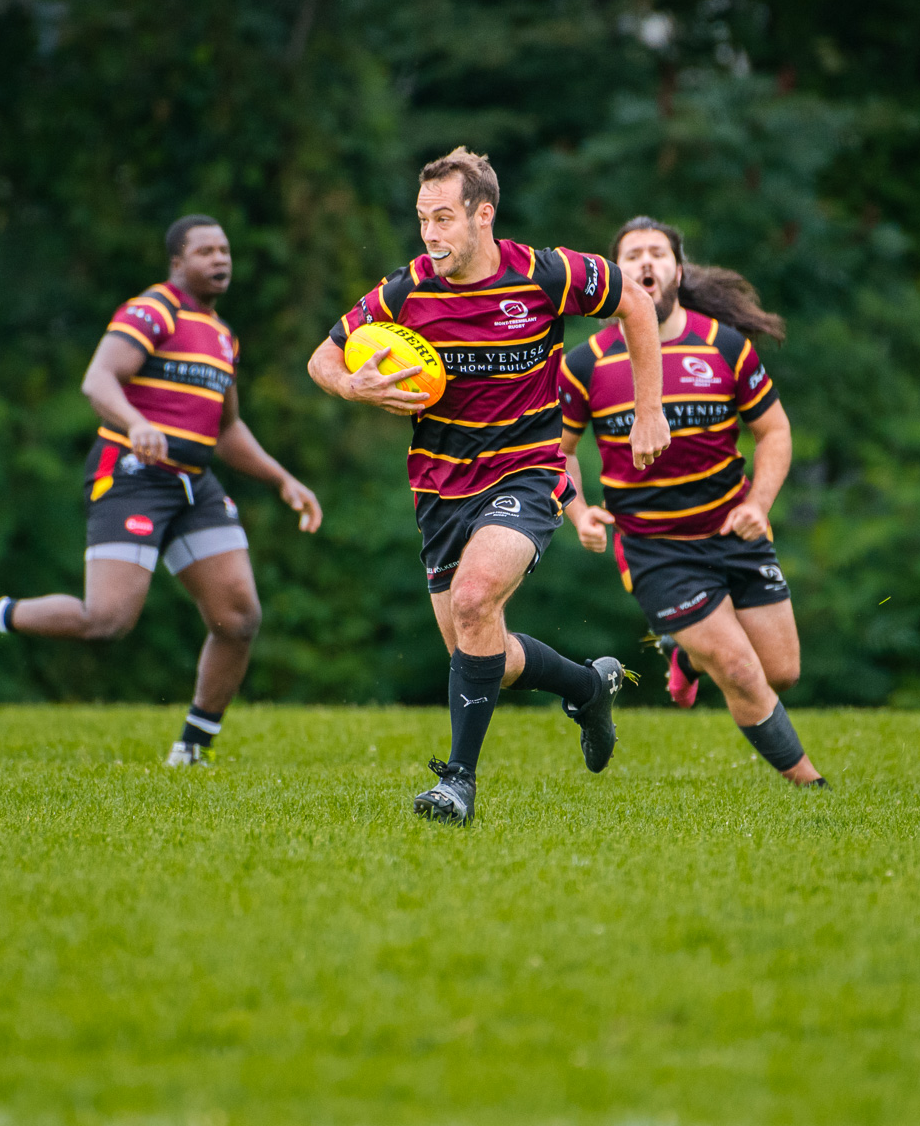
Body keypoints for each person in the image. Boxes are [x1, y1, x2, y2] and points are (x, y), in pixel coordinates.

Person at [307, 147, 669, 824]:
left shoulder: (546, 274)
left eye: (444, 218)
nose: (431, 234)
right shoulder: (408, 290)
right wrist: (351, 384)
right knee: (482, 652)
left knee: (475, 600)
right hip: (440, 490)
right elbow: (322, 357)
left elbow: (637, 305)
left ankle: (458, 783)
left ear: (483, 215)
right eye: (423, 220)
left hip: (529, 472)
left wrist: (649, 410)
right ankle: (589, 687)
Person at [0, 215, 322, 765]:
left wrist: (282, 480)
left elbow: (225, 429)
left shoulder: (223, 336)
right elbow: (98, 379)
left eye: (225, 250)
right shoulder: (152, 309)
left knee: (238, 618)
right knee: (106, 621)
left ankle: (191, 750)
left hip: (193, 484)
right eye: (205, 251)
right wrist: (136, 423)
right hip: (132, 475)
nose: (220, 259)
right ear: (177, 261)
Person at [559, 216, 825, 788]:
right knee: (738, 669)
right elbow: (558, 451)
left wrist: (760, 503)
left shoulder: (723, 345)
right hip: (656, 549)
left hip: (734, 532)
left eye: (658, 253)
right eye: (632, 255)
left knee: (780, 672)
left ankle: (683, 650)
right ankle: (813, 785)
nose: (646, 263)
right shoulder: (586, 363)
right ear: (613, 274)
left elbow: (775, 433)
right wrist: (578, 511)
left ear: (679, 270)